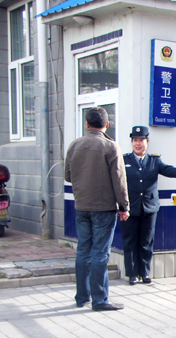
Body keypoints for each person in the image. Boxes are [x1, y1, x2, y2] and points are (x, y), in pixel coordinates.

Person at [64, 107, 130, 311]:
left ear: (87, 124)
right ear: (107, 125)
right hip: (103, 208)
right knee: (100, 253)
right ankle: (100, 300)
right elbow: (119, 180)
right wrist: (124, 206)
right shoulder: (110, 146)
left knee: (83, 250)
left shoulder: (74, 145)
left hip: (82, 206)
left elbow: (68, 176)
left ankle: (82, 297)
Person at [120, 126, 176, 285]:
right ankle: (132, 274)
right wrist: (120, 205)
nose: (138, 144)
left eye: (141, 140)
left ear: (147, 142)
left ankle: (144, 273)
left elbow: (165, 169)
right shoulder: (124, 160)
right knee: (130, 242)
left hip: (149, 208)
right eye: (135, 140)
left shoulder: (154, 160)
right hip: (129, 208)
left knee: (146, 242)